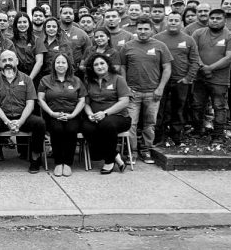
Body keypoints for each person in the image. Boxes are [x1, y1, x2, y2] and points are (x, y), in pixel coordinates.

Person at [119, 15, 173, 163]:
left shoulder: (161, 46)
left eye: (146, 29)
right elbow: (122, 68)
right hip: (133, 92)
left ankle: (146, 150)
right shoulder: (127, 46)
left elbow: (167, 68)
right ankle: (132, 152)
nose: (143, 31)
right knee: (131, 124)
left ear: (151, 30)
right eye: (140, 28)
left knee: (150, 124)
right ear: (136, 29)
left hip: (153, 93)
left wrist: (160, 88)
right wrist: (125, 88)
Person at [0, 50, 44, 173]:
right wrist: (7, 122)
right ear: (0, 63)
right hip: (2, 117)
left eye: (10, 59)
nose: (7, 63)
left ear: (16, 61)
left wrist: (20, 122)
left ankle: (35, 158)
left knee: (40, 123)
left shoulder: (27, 79)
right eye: (4, 60)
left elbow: (30, 104)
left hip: (23, 117)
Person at [191, 9, 231, 142]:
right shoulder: (198, 33)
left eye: (218, 18)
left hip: (219, 80)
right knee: (197, 105)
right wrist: (202, 66)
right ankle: (198, 131)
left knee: (219, 107)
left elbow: (229, 58)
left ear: (225, 21)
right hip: (199, 77)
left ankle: (218, 134)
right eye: (212, 18)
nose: (214, 20)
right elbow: (193, 52)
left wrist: (210, 68)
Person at [154, 12, 200, 146]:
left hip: (181, 81)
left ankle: (176, 137)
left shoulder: (189, 40)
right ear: (166, 22)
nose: (173, 23)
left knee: (179, 110)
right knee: (160, 110)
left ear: (181, 23)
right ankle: (159, 137)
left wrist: (188, 78)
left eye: (176, 20)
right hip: (161, 81)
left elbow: (195, 60)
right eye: (171, 20)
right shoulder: (157, 38)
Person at [37, 53, 86, 177]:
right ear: (53, 65)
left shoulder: (76, 80)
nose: (60, 65)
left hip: (72, 115)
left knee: (71, 129)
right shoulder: (45, 80)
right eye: (58, 62)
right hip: (52, 114)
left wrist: (72, 115)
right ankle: (58, 162)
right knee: (57, 129)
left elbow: (82, 100)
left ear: (68, 65)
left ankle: (68, 163)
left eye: (63, 62)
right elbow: (40, 99)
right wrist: (51, 113)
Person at [81, 53, 130, 174]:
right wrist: (90, 114)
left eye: (102, 63)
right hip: (95, 117)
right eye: (96, 64)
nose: (99, 66)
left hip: (119, 117)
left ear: (108, 64)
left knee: (106, 124)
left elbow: (124, 101)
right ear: (92, 67)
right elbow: (86, 102)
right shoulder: (88, 81)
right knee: (86, 127)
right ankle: (115, 155)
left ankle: (109, 161)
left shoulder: (118, 79)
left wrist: (105, 113)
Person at [11, 12, 44, 80]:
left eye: (25, 22)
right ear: (15, 24)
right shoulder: (10, 41)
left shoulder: (37, 40)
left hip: (34, 77)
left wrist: (29, 79)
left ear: (29, 23)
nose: (22, 24)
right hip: (15, 77)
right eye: (19, 22)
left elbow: (39, 62)